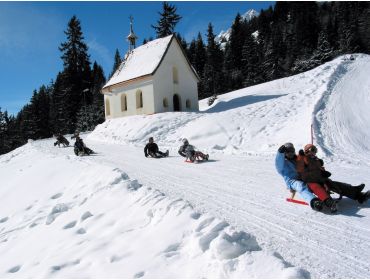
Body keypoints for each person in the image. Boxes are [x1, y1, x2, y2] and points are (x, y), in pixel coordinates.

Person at [297, 144, 369, 204]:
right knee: (317, 188)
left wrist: (324, 173)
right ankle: (328, 201)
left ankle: (358, 194)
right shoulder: (303, 158)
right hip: (310, 182)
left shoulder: (316, 159)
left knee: (337, 185)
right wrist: (301, 156)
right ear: (307, 151)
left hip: (321, 180)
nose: (315, 152)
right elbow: (301, 169)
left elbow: (321, 169)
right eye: (313, 150)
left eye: (315, 151)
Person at [275, 143, 323, 211]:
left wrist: (316, 161)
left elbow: (307, 161)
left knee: (316, 180)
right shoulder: (282, 163)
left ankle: (326, 197)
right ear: (285, 153)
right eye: (288, 151)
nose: (291, 153)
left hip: (303, 177)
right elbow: (278, 162)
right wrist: (280, 153)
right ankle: (314, 201)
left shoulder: (297, 159)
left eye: (292, 150)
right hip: (292, 181)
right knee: (301, 186)